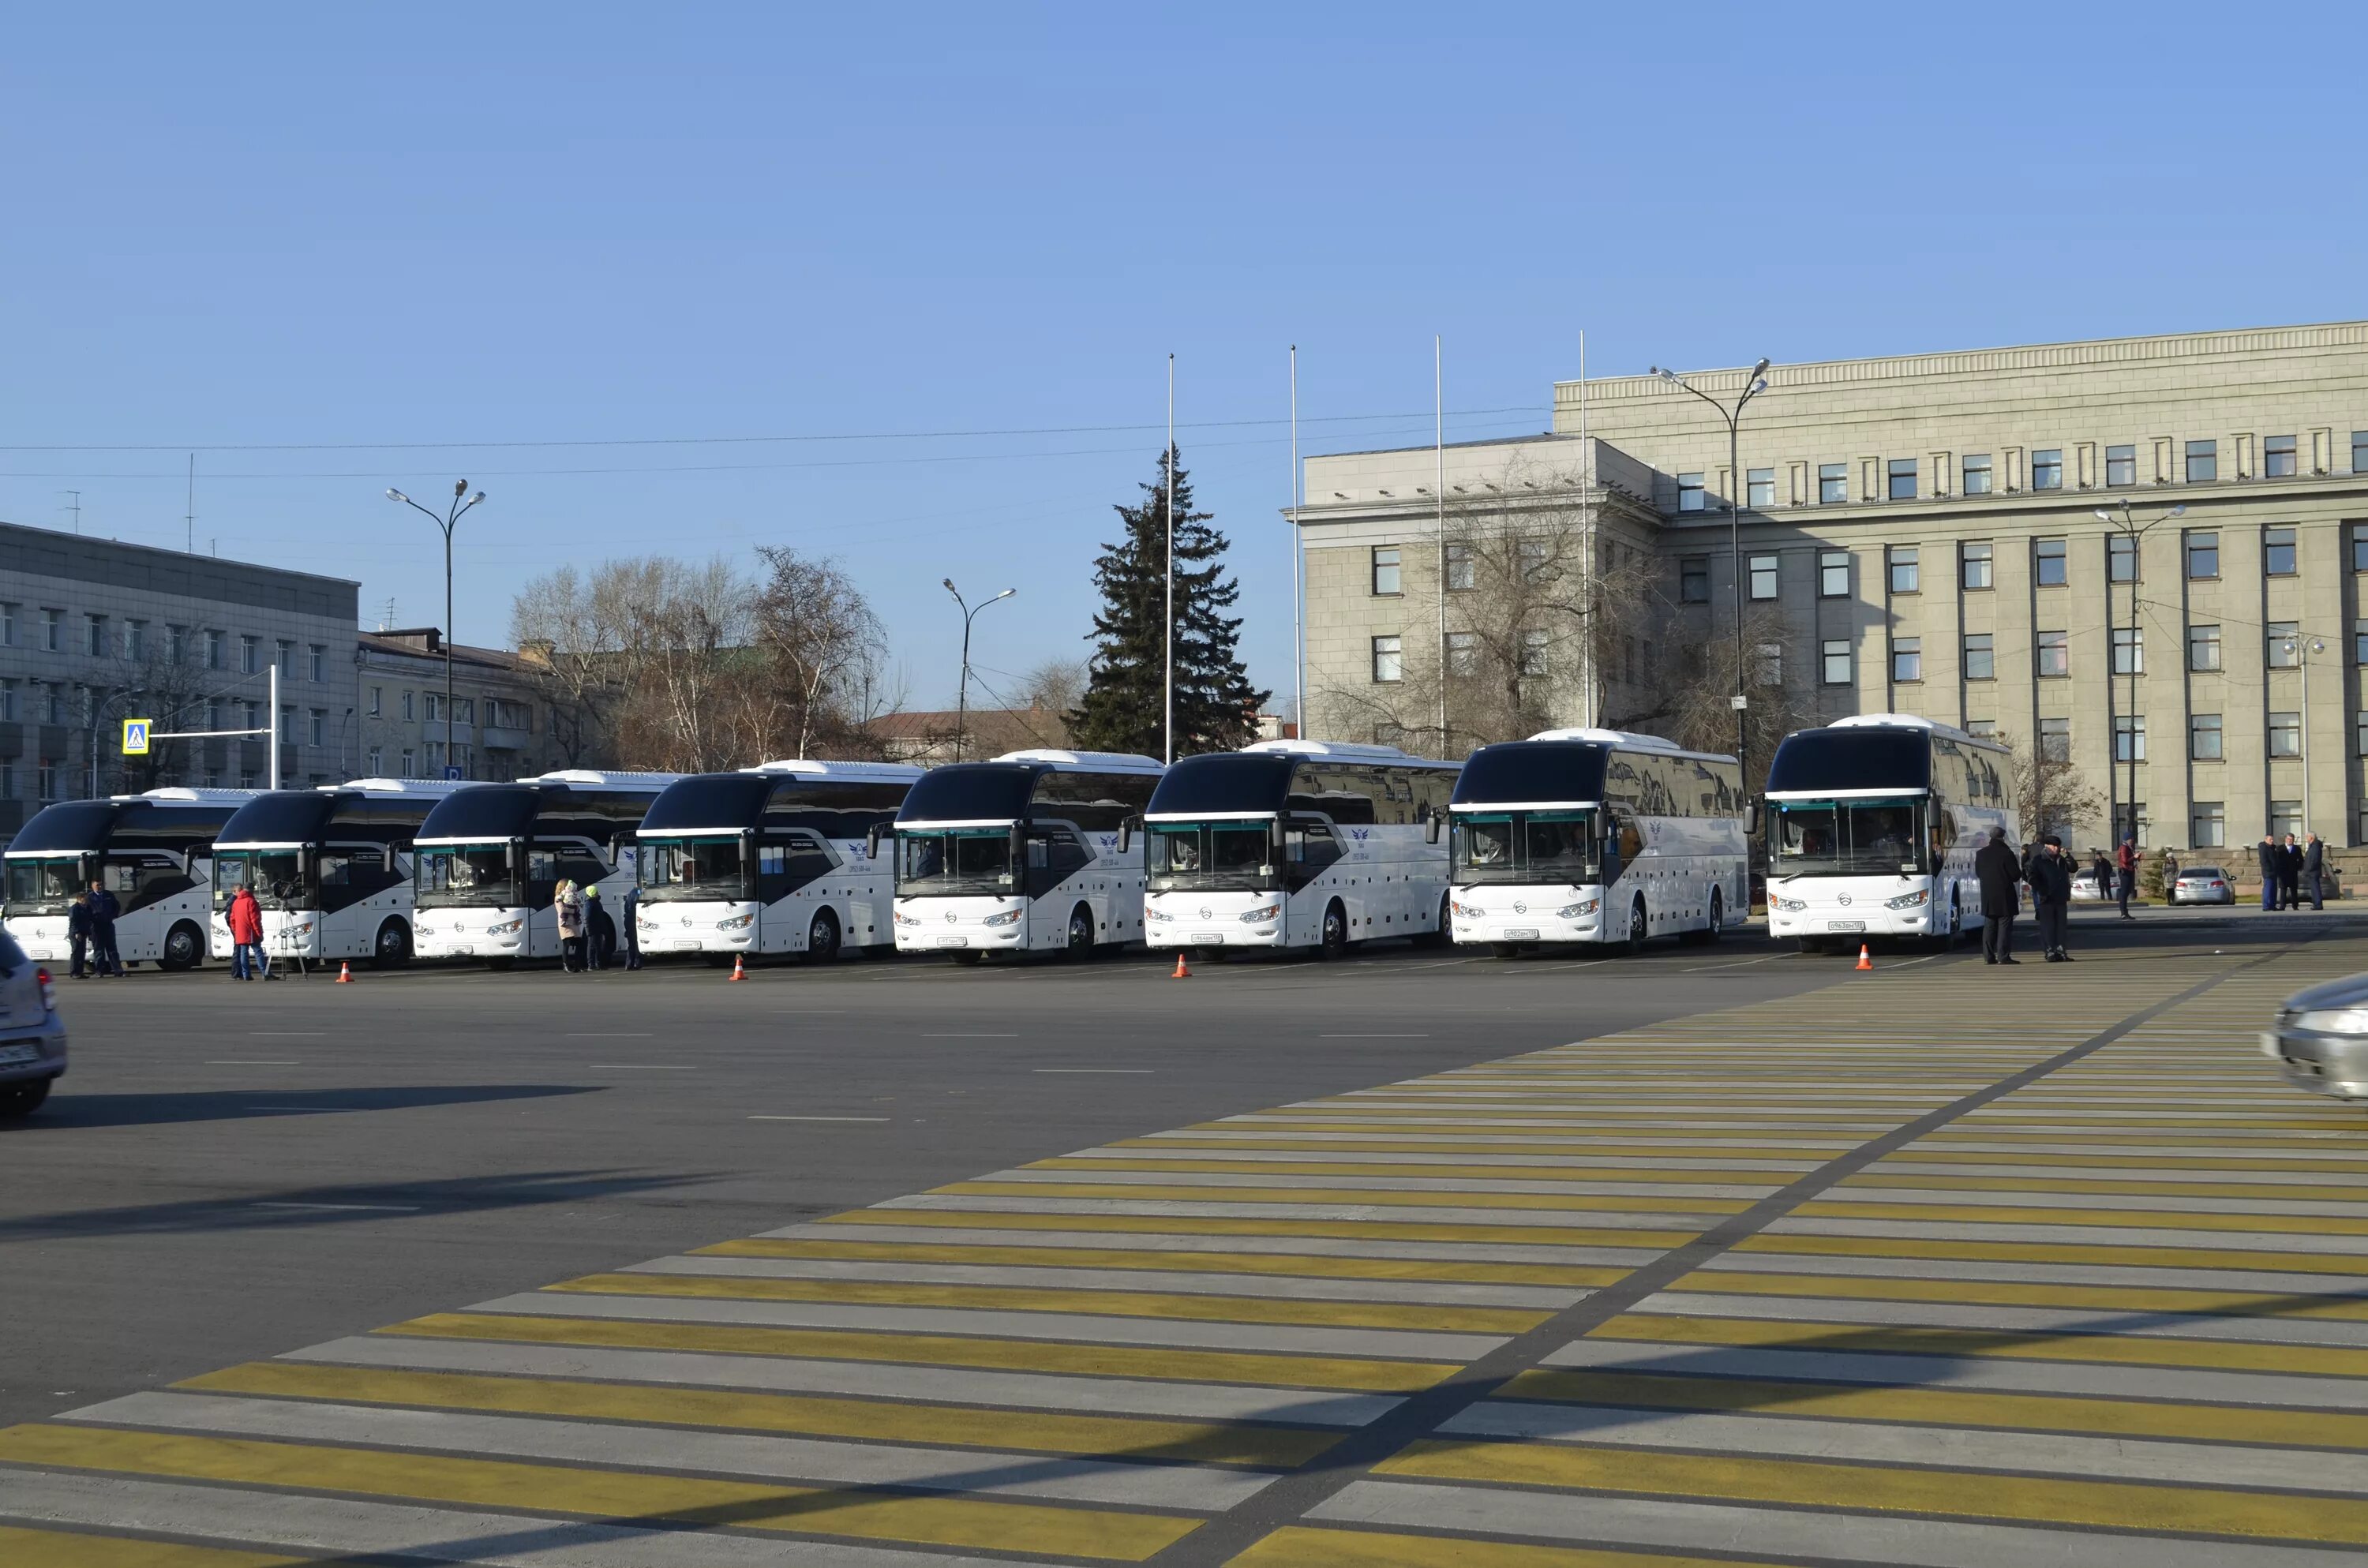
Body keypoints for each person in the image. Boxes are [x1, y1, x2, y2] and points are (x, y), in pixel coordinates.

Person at [1973, 829, 2021, 965]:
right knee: (2004, 926)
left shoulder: (1981, 854)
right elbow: (2015, 875)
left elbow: (1978, 873)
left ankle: (1988, 956)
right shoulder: (2006, 853)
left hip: (1988, 895)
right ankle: (2003, 956)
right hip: (2005, 894)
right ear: (2003, 837)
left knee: (1989, 926)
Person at [2029, 834, 2075, 961]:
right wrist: (2042, 890)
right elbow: (2032, 877)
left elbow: (2073, 868)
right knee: (2048, 926)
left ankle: (2061, 951)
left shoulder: (2062, 859)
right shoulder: (2039, 860)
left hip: (2061, 896)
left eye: (2058, 846)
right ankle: (2050, 951)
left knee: (2061, 926)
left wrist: (2068, 857)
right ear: (2047, 846)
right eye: (2054, 846)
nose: (2056, 849)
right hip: (2046, 897)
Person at [227, 884, 265, 981]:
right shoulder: (251, 901)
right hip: (250, 932)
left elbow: (232, 919)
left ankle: (246, 974)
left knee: (243, 953)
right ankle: (265, 972)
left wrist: (236, 930)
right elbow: (255, 920)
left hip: (240, 932)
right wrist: (259, 933)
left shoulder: (236, 902)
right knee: (258, 951)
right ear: (252, 891)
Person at [555, 878, 585, 971]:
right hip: (565, 925)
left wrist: (576, 908)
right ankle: (566, 965)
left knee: (579, 944)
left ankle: (577, 966)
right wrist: (574, 910)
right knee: (566, 944)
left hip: (574, 923)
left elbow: (577, 905)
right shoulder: (558, 898)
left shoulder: (572, 896)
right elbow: (562, 910)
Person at [585, 884, 616, 971]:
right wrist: (588, 930)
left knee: (598, 946)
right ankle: (591, 964)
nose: (597, 893)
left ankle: (597, 963)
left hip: (598, 928)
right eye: (596, 892)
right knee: (592, 947)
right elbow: (587, 917)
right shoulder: (589, 903)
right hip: (593, 929)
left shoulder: (596, 902)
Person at [66, 892, 94, 979]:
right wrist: (77, 932)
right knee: (76, 953)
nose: (87, 900)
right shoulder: (75, 908)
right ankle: (74, 972)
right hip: (76, 934)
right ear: (80, 899)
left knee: (82, 953)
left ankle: (80, 972)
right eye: (86, 898)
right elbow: (73, 922)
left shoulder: (86, 908)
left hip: (83, 933)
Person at [620, 880, 644, 970]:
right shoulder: (638, 892)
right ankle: (637, 963)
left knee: (631, 944)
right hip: (634, 919)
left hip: (628, 919)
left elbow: (627, 906)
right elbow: (638, 903)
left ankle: (629, 964)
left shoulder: (630, 893)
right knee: (637, 942)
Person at [2115, 838, 2138, 920]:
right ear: (2127, 840)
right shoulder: (2124, 848)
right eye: (2131, 839)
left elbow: (2131, 859)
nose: (2132, 841)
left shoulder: (2129, 848)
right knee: (2124, 892)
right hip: (2124, 871)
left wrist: (2136, 857)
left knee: (2127, 892)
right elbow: (2125, 860)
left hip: (2129, 870)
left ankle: (2125, 912)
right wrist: (2134, 857)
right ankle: (2123, 913)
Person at [2280, 833, 2304, 910]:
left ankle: (2295, 906)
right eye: (2288, 839)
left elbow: (2301, 860)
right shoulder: (2280, 848)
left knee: (2294, 890)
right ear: (2285, 839)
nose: (2290, 841)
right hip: (2283, 873)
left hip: (2293, 872)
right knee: (2283, 890)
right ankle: (2282, 906)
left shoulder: (2297, 848)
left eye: (2291, 839)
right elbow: (2277, 860)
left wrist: (2298, 867)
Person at [2257, 835, 2280, 911]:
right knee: (2268, 889)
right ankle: (2266, 906)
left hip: (2275, 871)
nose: (2272, 841)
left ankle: (2273, 905)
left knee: (2274, 889)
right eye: (2270, 839)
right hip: (2268, 872)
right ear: (2266, 840)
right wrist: (2270, 869)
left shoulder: (2273, 848)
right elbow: (2264, 861)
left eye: (2273, 839)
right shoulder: (2263, 848)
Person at [2306, 833, 2328, 911]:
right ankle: (2316, 903)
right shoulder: (2313, 846)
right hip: (2312, 871)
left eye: (2307, 837)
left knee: (2315, 888)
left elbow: (2314, 859)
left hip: (2313, 871)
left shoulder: (2315, 846)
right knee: (2314, 888)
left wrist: (2310, 868)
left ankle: (2317, 904)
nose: (2306, 839)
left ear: (2311, 838)